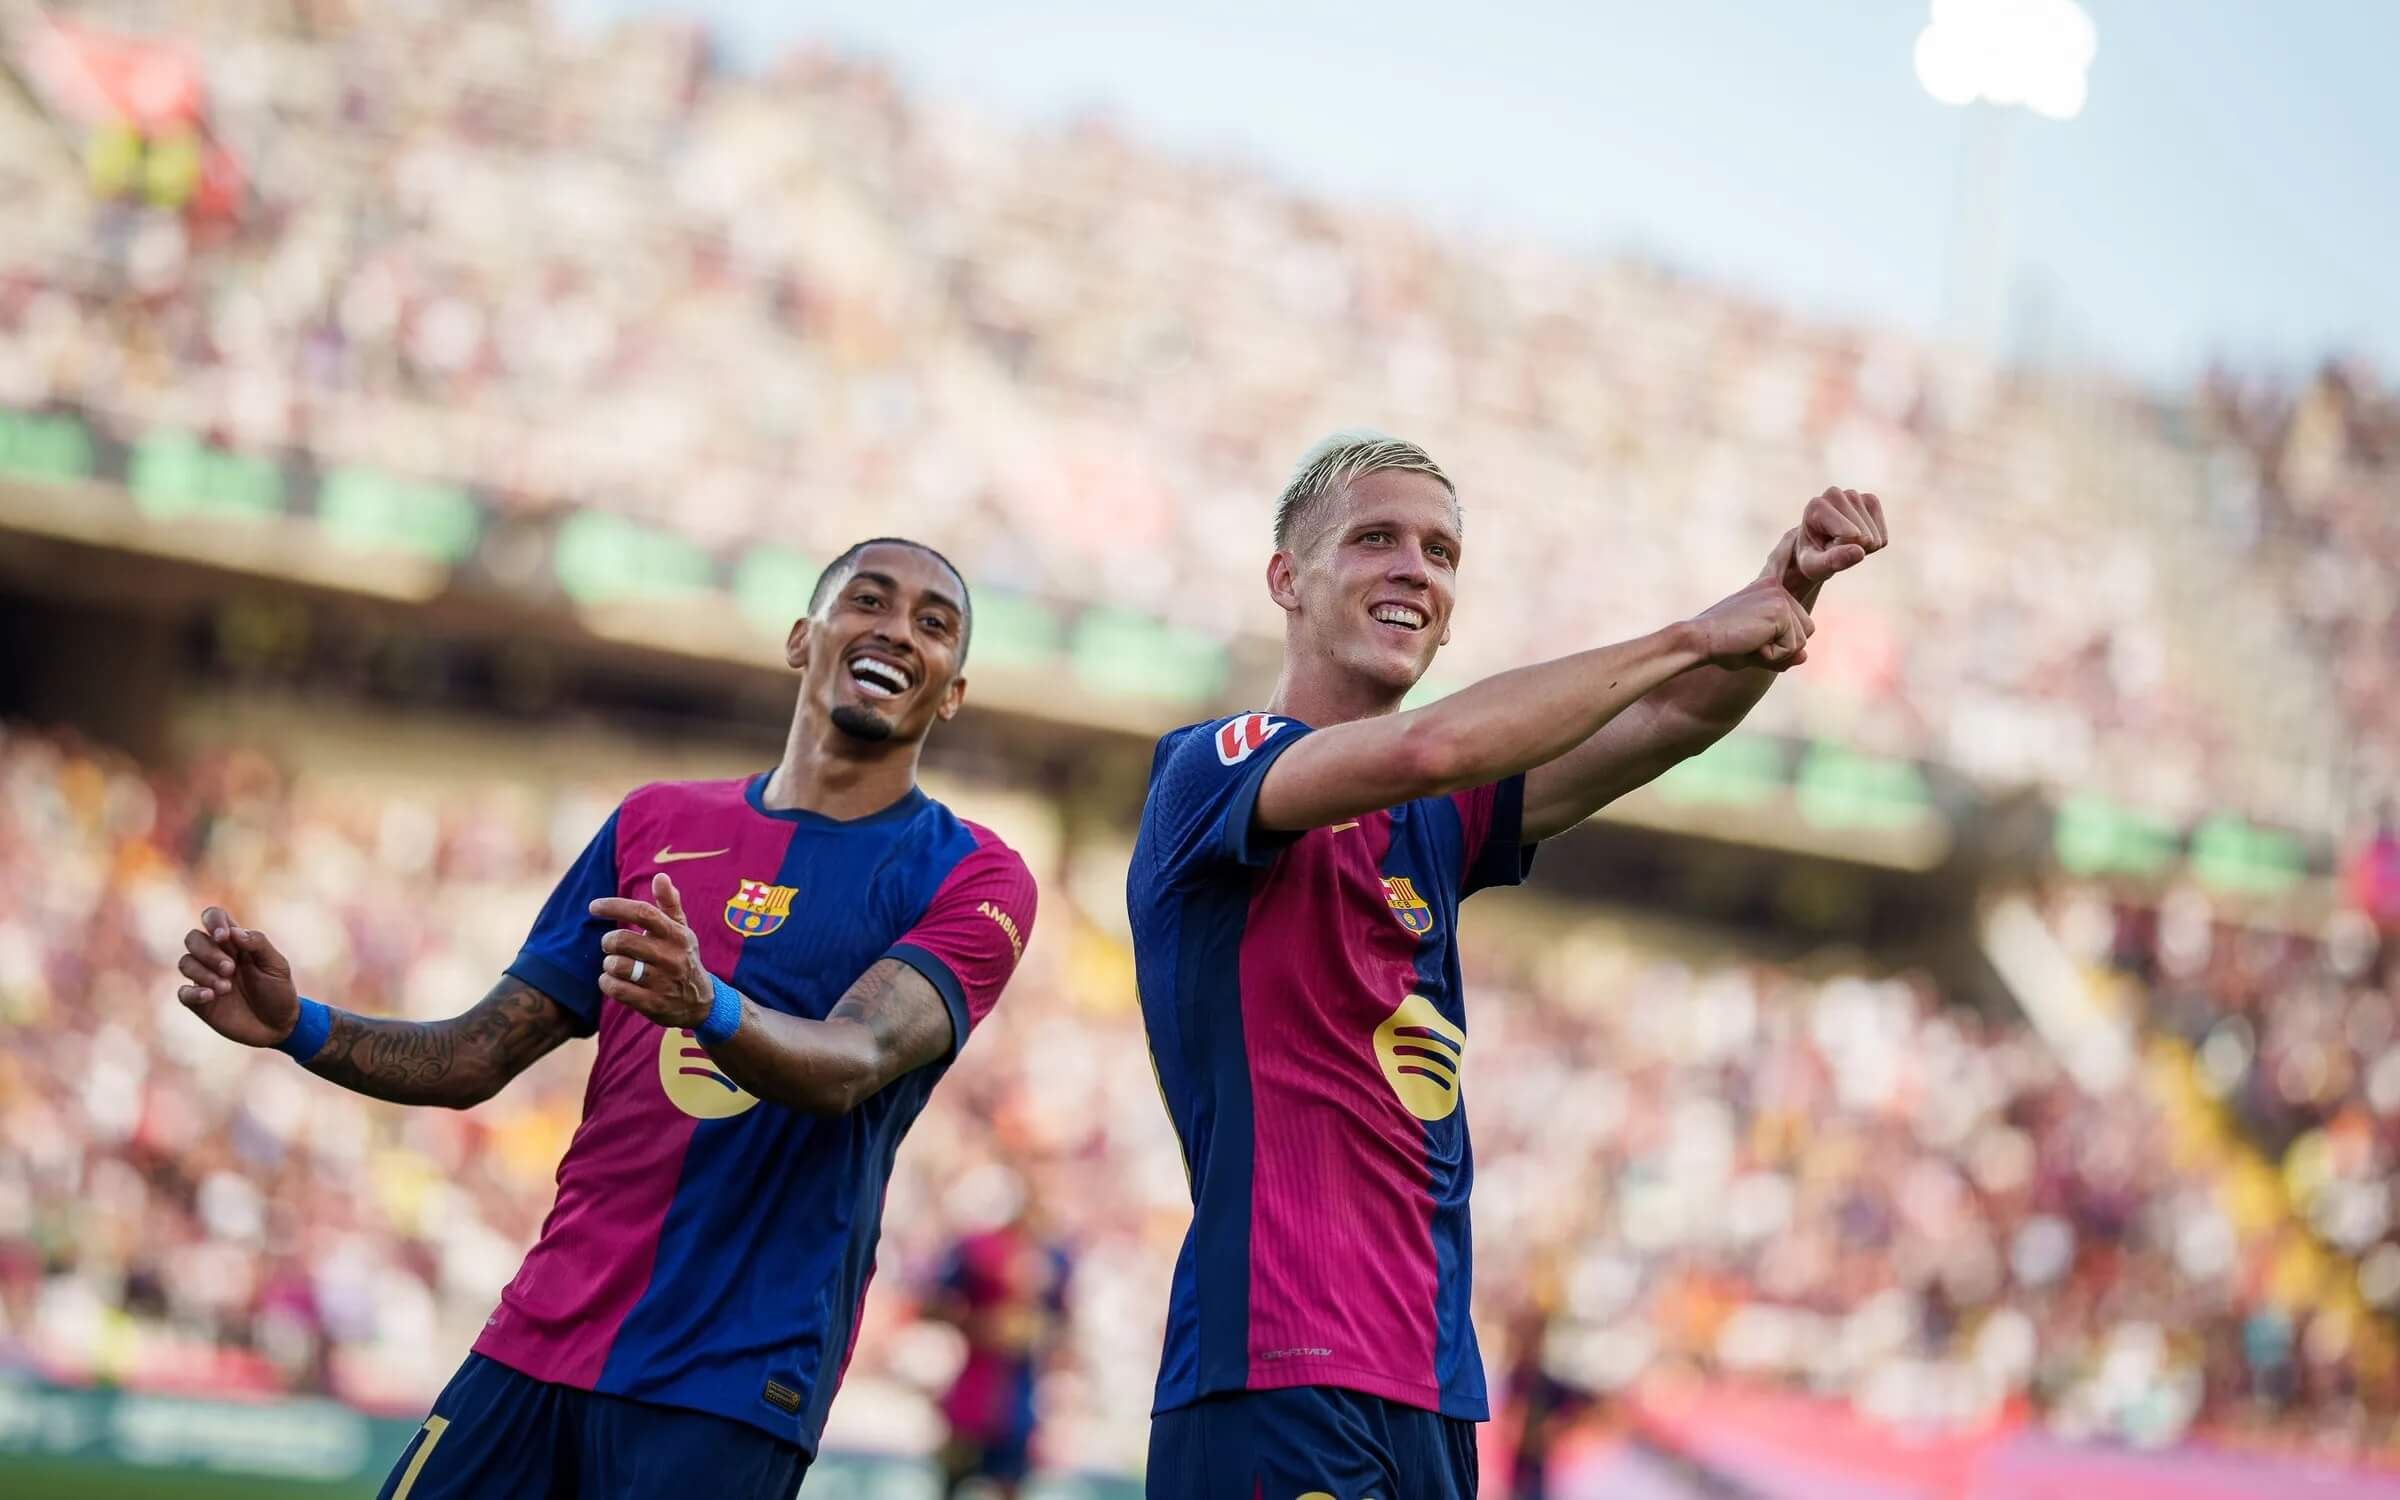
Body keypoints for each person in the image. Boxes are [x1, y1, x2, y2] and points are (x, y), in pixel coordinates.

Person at [173, 538, 1040, 1499]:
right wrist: (302, 1025)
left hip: (729, 1379)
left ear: (953, 691)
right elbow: (473, 1054)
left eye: (934, 624)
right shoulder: (652, 824)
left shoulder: (972, 874)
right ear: (803, 638)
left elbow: (853, 1059)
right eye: (868, 600)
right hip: (540, 1334)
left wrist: (704, 1001)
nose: (896, 631)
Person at [1126, 432, 1886, 1498]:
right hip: (1274, 1362)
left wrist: (1781, 592)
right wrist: (1690, 632)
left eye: (1440, 553)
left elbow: (1670, 722)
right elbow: (1431, 746)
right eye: (1375, 539)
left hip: (1434, 1388)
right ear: (1285, 580)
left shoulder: (1438, 822)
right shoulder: (1214, 764)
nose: (1414, 569)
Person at [929, 1175, 1073, 1498]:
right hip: (973, 1395)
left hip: (1019, 1399)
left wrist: (1037, 1331)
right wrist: (981, 1326)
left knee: (1011, 1484)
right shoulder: (977, 1250)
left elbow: (1063, 1323)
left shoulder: (1054, 1257)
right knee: (952, 1480)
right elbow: (935, 1304)